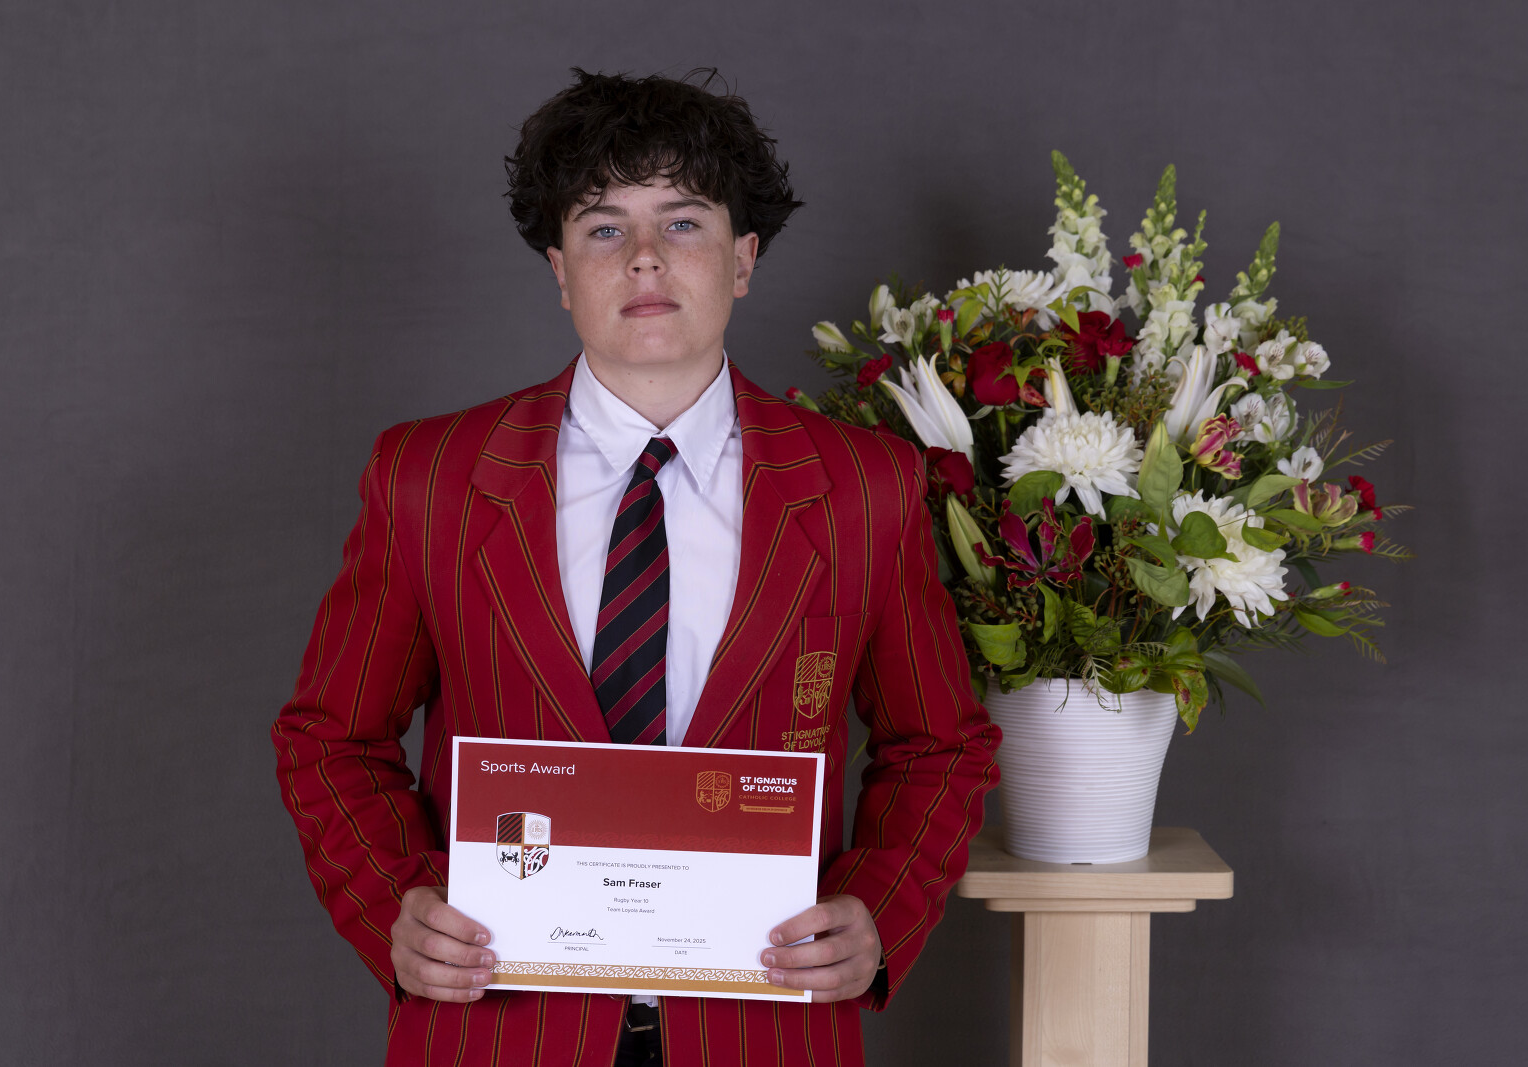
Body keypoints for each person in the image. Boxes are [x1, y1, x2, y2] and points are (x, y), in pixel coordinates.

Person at [272, 68, 999, 1067]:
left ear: (743, 259)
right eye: (604, 227)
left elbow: (940, 745)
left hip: (765, 1029)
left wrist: (877, 910)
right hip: (499, 1030)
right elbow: (330, 738)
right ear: (559, 269)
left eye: (683, 222)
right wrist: (395, 903)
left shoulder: (863, 487)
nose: (645, 257)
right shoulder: (429, 479)